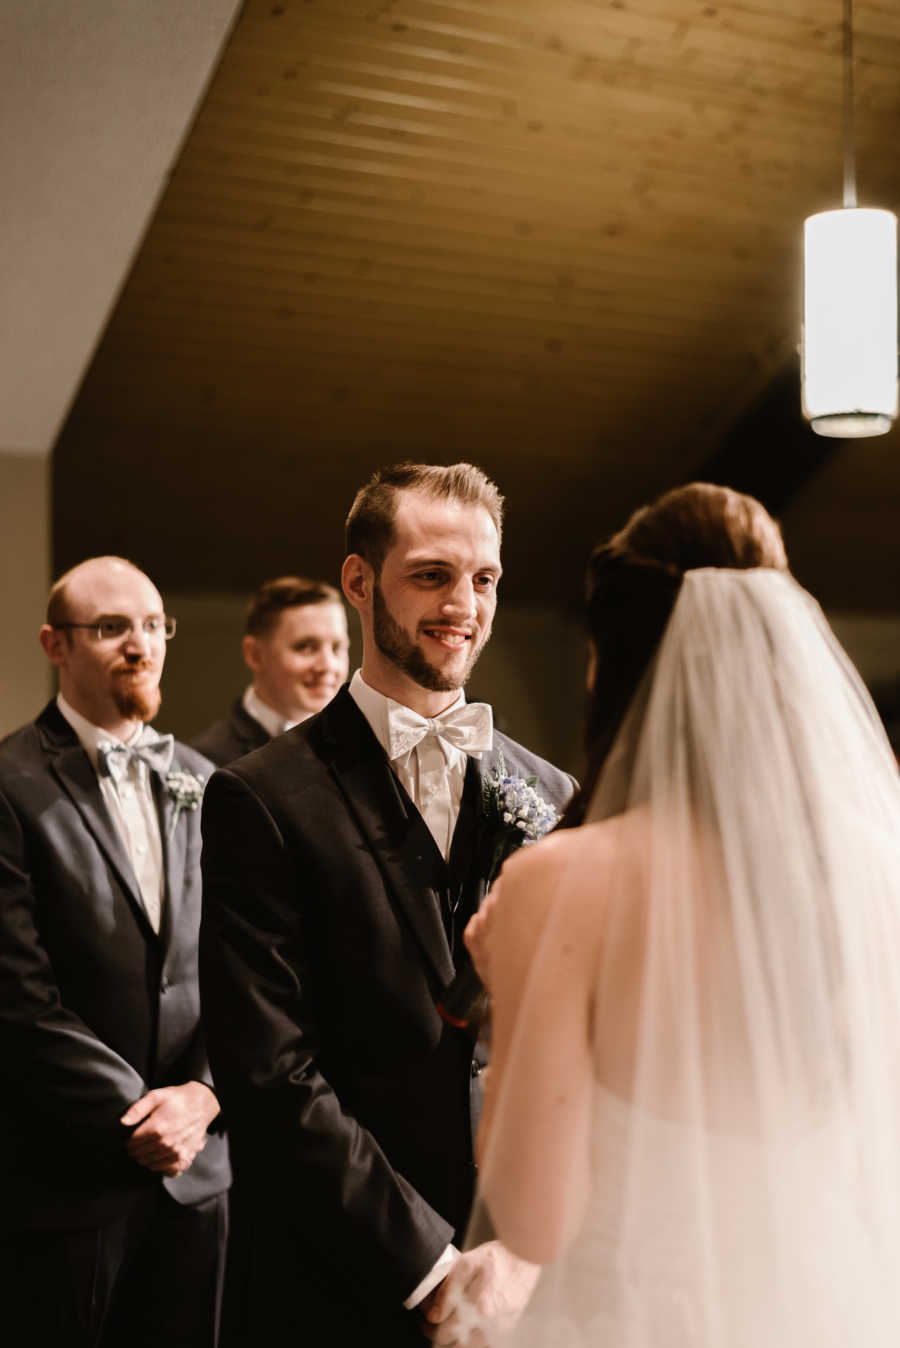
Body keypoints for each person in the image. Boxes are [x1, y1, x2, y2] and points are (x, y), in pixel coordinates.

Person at [461, 482, 900, 1347]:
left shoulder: (564, 883)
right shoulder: (867, 859)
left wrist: (513, 979)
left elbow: (533, 1218)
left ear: (614, 664)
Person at [198, 462, 576, 1346]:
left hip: (520, 1283)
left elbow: (572, 1044)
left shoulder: (549, 790)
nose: (465, 606)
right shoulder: (261, 797)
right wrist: (436, 1268)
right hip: (337, 1284)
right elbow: (270, 1075)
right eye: (432, 576)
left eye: (483, 579)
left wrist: (518, 1253)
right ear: (360, 583)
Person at [0, 556, 231, 1348]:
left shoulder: (205, 781)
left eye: (153, 624)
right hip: (65, 1179)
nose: (141, 644)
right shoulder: (9, 782)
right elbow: (18, 998)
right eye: (111, 628)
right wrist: (141, 1117)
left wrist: (202, 1096)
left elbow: (243, 974)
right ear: (54, 645)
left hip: (200, 1181)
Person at [191, 574, 350, 765]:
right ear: (255, 655)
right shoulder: (208, 759)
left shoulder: (355, 746)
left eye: (336, 648)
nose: (328, 665)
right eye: (305, 647)